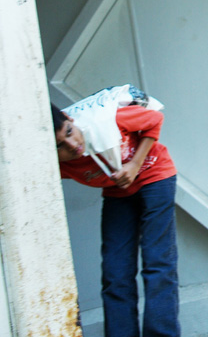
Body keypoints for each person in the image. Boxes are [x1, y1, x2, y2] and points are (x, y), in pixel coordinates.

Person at [52, 96, 180, 337]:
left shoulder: (104, 121)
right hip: (117, 190)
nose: (72, 145)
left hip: (154, 175)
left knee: (158, 263)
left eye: (69, 132)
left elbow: (154, 119)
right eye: (60, 145)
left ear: (70, 119)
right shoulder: (53, 164)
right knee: (115, 271)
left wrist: (134, 163)